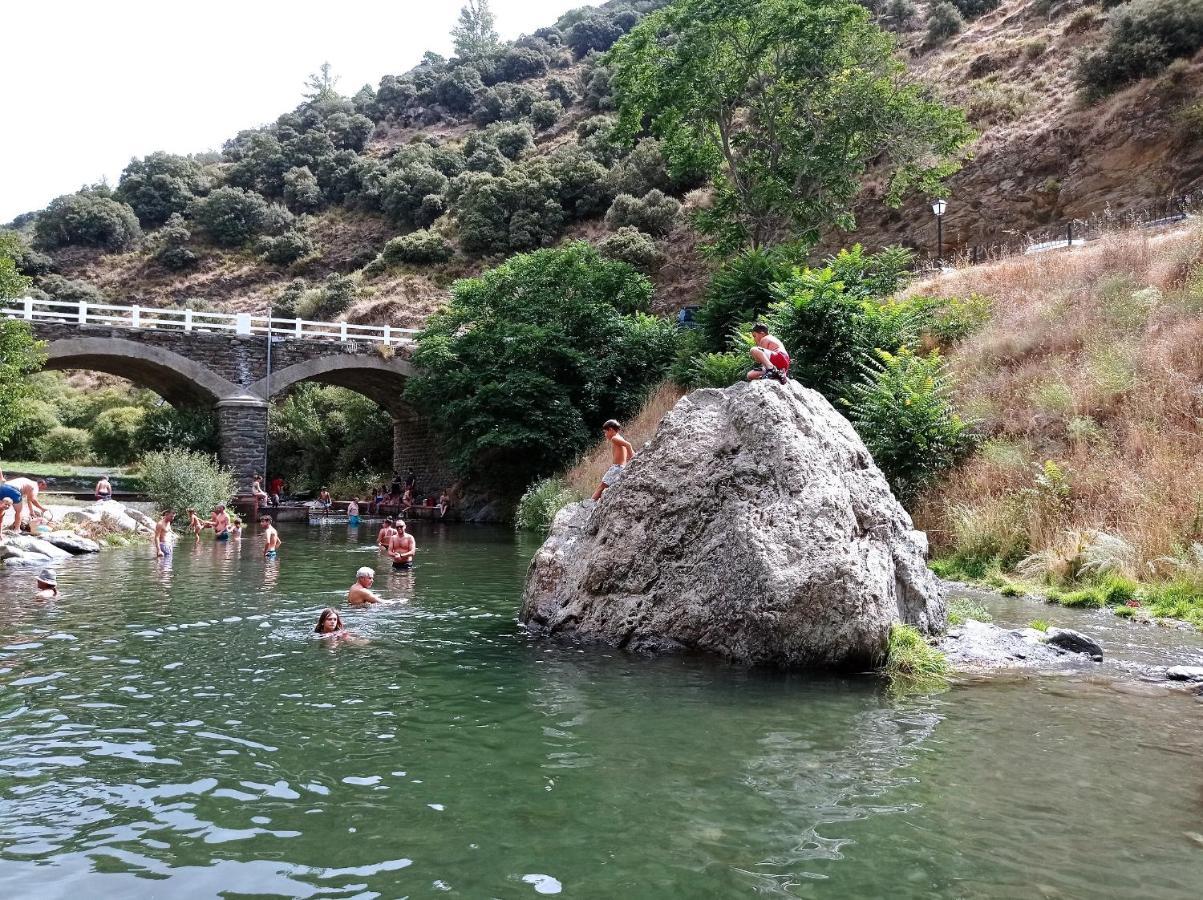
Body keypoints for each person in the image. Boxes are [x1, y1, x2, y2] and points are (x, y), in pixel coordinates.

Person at [592, 419, 634, 502]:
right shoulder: (620, 437)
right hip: (621, 467)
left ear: (610, 429)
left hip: (617, 468)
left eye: (605, 432)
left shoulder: (614, 438)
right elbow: (627, 446)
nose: (605, 435)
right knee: (607, 488)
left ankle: (588, 505)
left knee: (601, 487)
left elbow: (628, 445)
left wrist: (633, 458)